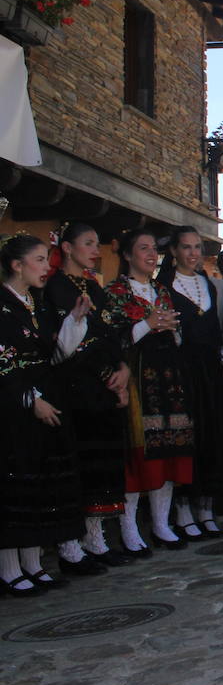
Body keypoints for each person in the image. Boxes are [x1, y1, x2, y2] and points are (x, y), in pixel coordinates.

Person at [1, 233, 97, 594]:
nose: (46, 267)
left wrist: (74, 321)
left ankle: (32, 563)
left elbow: (54, 355)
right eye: (39, 260)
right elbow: (4, 362)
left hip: (46, 395)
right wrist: (30, 399)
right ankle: (9, 569)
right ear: (17, 265)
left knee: (40, 483)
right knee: (17, 482)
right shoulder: (2, 305)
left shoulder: (35, 304)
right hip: (13, 407)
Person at [102, 228, 193, 553]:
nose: (151, 254)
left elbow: (174, 332)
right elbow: (111, 340)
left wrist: (172, 329)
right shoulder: (113, 292)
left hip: (167, 377)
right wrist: (148, 325)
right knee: (138, 452)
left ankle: (161, 523)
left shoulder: (161, 290)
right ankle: (129, 529)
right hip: (138, 379)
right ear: (127, 254)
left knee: (168, 448)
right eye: (143, 248)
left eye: (154, 248)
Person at [46, 223, 132, 567]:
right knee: (80, 464)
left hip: (103, 389)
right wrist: (104, 374)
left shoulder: (96, 289)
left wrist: (122, 370)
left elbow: (110, 334)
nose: (96, 250)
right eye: (88, 243)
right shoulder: (54, 287)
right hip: (75, 387)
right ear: (67, 248)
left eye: (97, 243)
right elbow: (67, 341)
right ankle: (71, 547)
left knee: (102, 465)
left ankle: (96, 541)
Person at [157, 227, 223, 539]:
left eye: (198, 247)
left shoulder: (207, 285)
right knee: (187, 437)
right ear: (174, 250)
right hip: (181, 371)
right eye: (186, 247)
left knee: (211, 434)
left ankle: (206, 508)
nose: (193, 253)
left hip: (209, 370)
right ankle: (183, 510)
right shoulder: (164, 286)